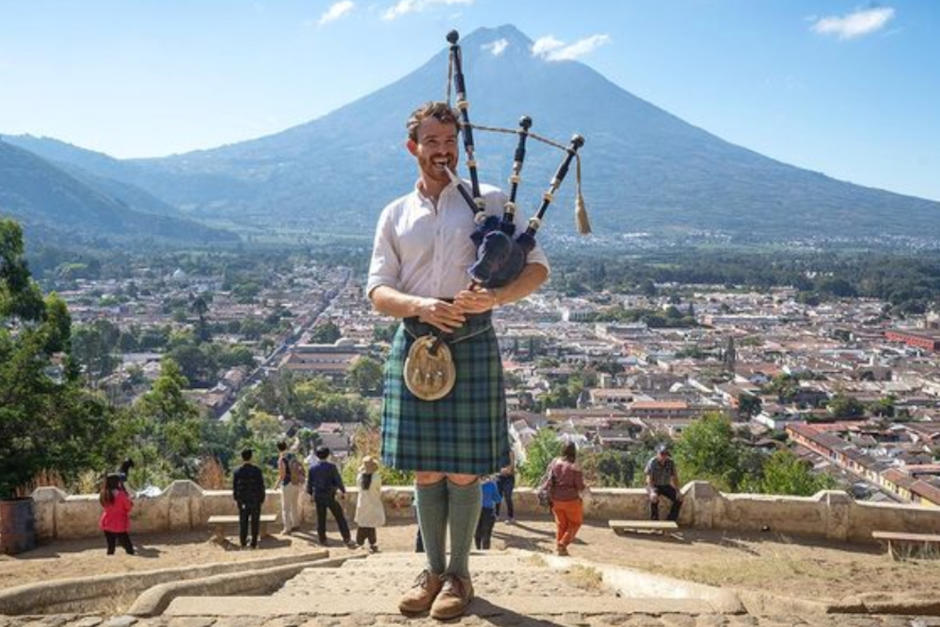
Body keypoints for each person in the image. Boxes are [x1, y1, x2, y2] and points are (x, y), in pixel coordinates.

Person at [367, 101, 549, 620]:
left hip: (471, 339)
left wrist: (495, 298)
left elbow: (536, 270)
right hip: (418, 340)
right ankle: (431, 571)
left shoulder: (489, 201)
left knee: (466, 473)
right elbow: (377, 290)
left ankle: (459, 577)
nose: (442, 153)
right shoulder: (395, 214)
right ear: (413, 148)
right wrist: (421, 305)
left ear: (459, 143)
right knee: (426, 471)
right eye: (432, 144)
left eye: (450, 143)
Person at [306, 446, 357, 548]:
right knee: (339, 517)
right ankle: (346, 538)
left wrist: (311, 494)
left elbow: (310, 483)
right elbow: (338, 480)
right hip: (330, 495)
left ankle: (322, 539)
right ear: (328, 455)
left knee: (321, 518)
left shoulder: (312, 468)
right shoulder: (332, 467)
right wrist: (343, 491)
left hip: (319, 496)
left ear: (317, 455)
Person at [547, 442, 586, 556]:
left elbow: (550, 480)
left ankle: (560, 548)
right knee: (575, 523)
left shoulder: (555, 463)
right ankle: (562, 544)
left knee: (561, 524)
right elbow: (579, 486)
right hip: (571, 500)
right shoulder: (574, 466)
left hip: (556, 499)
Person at [232, 448, 266, 549]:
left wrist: (237, 500)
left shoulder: (237, 472)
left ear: (242, 458)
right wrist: (261, 499)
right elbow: (261, 486)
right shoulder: (257, 471)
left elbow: (234, 488)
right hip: (255, 500)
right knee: (255, 522)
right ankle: (254, 543)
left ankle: (243, 542)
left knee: (243, 522)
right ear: (251, 457)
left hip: (243, 501)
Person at [354, 455, 386, 553]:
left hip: (362, 503)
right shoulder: (376, 477)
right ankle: (372, 543)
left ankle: (359, 542)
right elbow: (378, 490)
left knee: (362, 524)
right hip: (373, 502)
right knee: (371, 525)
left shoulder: (359, 477)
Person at [645, 443, 683, 522]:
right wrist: (652, 491)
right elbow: (649, 478)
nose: (663, 456)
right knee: (654, 499)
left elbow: (674, 477)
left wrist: (678, 491)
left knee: (679, 499)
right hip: (654, 485)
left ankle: (671, 520)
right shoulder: (652, 462)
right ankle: (654, 522)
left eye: (665, 454)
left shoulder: (670, 462)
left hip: (665, 485)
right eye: (662, 454)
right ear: (657, 454)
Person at [99, 473, 134, 555]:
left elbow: (103, 504)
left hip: (107, 522)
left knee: (111, 547)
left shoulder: (104, 493)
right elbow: (128, 507)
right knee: (128, 546)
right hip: (119, 523)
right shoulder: (121, 495)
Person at [276, 440, 303, 535]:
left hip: (287, 484)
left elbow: (282, 475)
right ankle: (296, 524)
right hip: (296, 483)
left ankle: (287, 528)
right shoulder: (292, 456)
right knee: (294, 505)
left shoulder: (282, 459)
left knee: (286, 508)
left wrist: (276, 485)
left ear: (278, 448)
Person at [474, 476, 501, 550]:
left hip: (475, 511)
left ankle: (478, 549)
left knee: (477, 532)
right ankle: (485, 551)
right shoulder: (491, 484)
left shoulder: (473, 484)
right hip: (488, 510)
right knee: (486, 533)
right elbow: (497, 499)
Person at [495, 449, 516, 523]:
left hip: (509, 478)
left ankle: (511, 517)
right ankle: (496, 515)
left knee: (508, 496)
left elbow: (512, 466)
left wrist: (505, 470)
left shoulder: (510, 452)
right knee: (498, 496)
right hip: (499, 477)